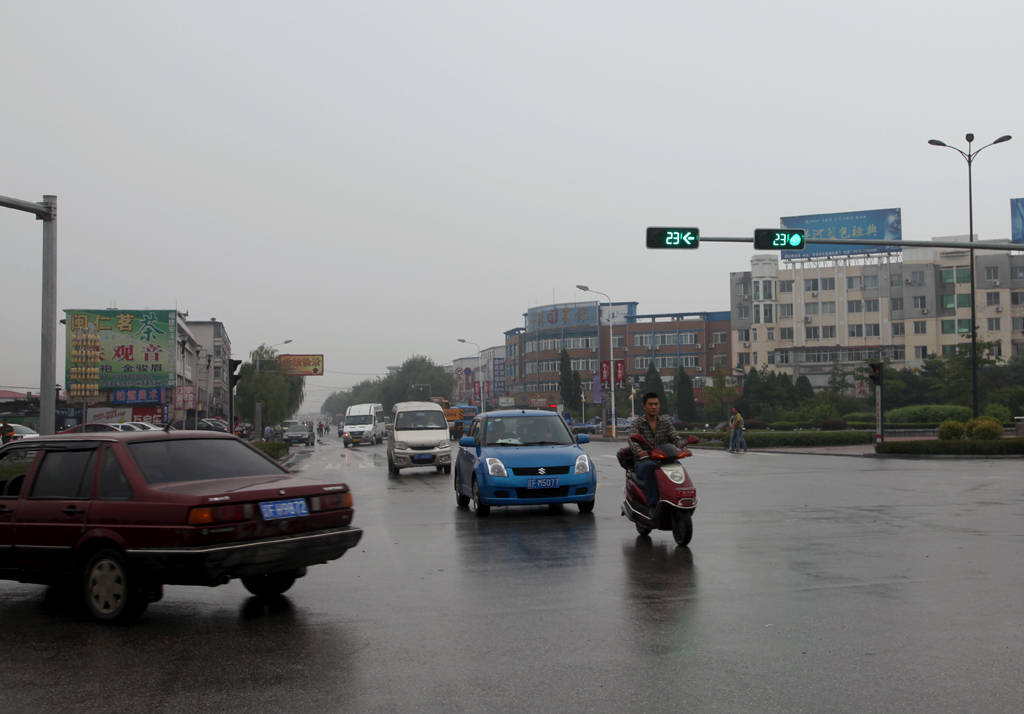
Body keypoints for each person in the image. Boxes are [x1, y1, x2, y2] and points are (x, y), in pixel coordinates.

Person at [628, 393, 687, 515]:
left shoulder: (665, 423)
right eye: (651, 404)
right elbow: (632, 439)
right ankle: (652, 504)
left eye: (656, 404)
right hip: (643, 462)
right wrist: (640, 452)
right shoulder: (638, 423)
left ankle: (679, 499)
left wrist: (683, 448)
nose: (654, 407)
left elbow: (676, 438)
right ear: (644, 406)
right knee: (650, 466)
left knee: (678, 466)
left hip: (665, 461)